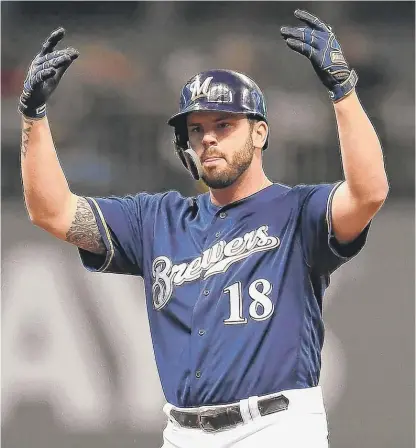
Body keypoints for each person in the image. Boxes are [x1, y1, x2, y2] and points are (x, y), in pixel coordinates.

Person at [19, 9, 388, 448]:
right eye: (197, 129)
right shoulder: (155, 219)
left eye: (224, 125)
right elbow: (53, 212)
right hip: (183, 432)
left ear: (259, 133)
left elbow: (368, 193)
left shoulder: (297, 211)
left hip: (276, 427)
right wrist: (34, 116)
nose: (208, 138)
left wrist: (343, 92)